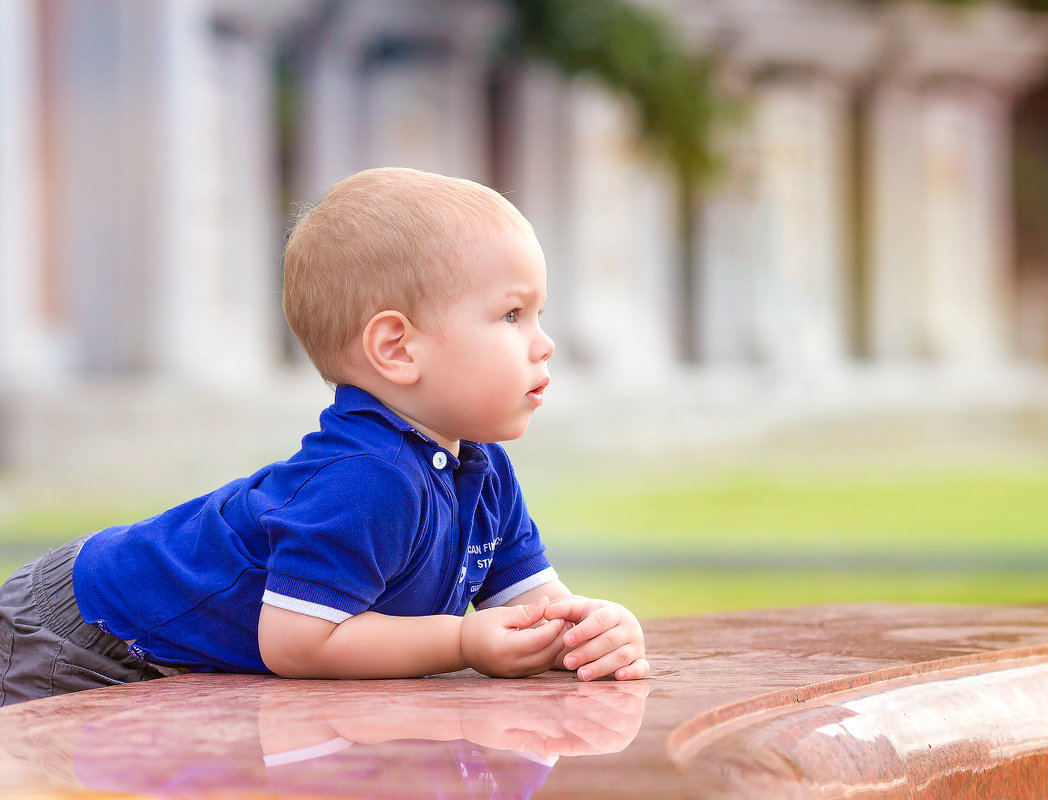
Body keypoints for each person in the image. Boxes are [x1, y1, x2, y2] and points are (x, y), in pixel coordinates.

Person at [0, 167, 649, 707]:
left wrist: (588, 631)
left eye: (539, 313)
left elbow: (535, 608)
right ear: (396, 348)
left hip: (153, 647)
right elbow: (300, 642)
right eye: (511, 314)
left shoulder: (483, 469)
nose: (545, 343)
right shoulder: (366, 478)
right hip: (82, 635)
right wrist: (462, 641)